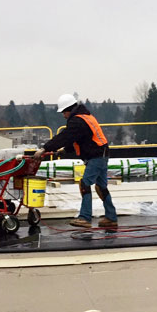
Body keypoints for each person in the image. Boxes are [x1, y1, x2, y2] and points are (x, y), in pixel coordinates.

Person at [34, 93, 117, 228]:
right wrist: (65, 150)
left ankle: (85, 217)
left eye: (63, 112)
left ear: (69, 109)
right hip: (102, 154)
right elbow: (81, 139)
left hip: (95, 156)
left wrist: (44, 148)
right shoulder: (86, 117)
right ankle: (111, 217)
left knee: (85, 184)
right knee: (101, 187)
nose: (63, 115)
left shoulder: (77, 121)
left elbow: (65, 136)